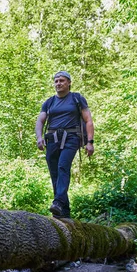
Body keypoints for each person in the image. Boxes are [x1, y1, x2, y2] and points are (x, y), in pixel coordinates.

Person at [35, 71, 94, 219]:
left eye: (61, 81)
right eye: (56, 81)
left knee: (63, 166)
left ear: (69, 83)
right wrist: (39, 137)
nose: (58, 83)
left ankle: (58, 202)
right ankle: (63, 212)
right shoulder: (49, 102)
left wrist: (90, 142)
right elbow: (40, 121)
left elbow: (88, 120)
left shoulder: (77, 99)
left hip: (71, 137)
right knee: (54, 173)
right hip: (52, 139)